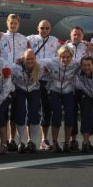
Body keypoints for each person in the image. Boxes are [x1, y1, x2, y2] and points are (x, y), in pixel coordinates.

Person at [0, 13, 29, 151]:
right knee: (3, 112)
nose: (13, 25)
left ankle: (12, 139)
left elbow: (29, 56)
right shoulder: (0, 37)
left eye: (15, 23)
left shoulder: (24, 39)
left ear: (18, 24)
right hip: (4, 80)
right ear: (7, 23)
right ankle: (4, 140)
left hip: (19, 80)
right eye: (11, 23)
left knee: (16, 112)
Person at [27, 20, 61, 151]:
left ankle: (44, 139)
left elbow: (62, 55)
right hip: (33, 80)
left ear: (50, 29)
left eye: (47, 28)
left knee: (46, 111)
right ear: (38, 28)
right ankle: (30, 140)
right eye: (42, 28)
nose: (44, 30)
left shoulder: (55, 41)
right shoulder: (29, 39)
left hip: (48, 81)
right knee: (32, 110)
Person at [41, 45, 79, 153]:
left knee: (69, 115)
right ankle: (54, 143)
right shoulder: (52, 62)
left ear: (72, 57)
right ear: (59, 56)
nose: (65, 59)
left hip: (68, 92)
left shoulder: (76, 64)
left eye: (68, 57)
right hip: (54, 91)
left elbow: (88, 63)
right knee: (56, 114)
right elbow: (37, 61)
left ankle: (66, 143)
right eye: (63, 57)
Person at [11, 49, 43, 153]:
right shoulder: (15, 68)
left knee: (34, 112)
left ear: (35, 59)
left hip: (34, 89)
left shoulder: (40, 68)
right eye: (27, 59)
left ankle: (32, 141)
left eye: (32, 59)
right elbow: (9, 80)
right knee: (20, 112)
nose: (30, 61)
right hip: (20, 89)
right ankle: (22, 141)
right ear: (23, 59)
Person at [66, 26, 92, 150]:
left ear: (83, 36)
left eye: (79, 35)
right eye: (74, 34)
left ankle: (86, 141)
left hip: (84, 88)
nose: (76, 36)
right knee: (71, 114)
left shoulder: (87, 47)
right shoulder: (65, 48)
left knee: (86, 114)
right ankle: (73, 139)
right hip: (70, 88)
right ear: (70, 36)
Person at [74, 56, 93, 153]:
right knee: (86, 116)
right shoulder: (78, 71)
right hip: (86, 94)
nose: (87, 68)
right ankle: (85, 143)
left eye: (89, 65)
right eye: (84, 65)